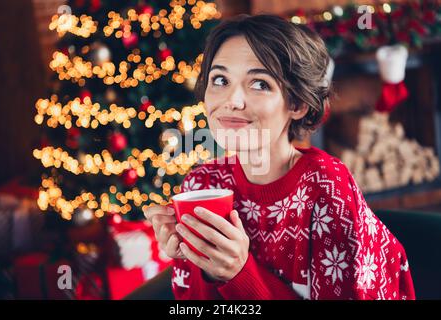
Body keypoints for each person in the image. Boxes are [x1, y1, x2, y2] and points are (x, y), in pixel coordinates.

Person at [144, 14, 415, 300]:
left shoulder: (328, 188)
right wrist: (202, 265)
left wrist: (239, 273)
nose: (231, 101)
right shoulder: (201, 185)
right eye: (220, 79)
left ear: (297, 103)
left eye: (260, 84)